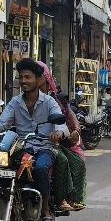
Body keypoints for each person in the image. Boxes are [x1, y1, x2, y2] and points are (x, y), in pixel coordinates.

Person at [0, 58, 65, 221]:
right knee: (1, 167)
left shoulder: (49, 102)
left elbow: (61, 124)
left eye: (28, 77)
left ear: (38, 80)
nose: (23, 81)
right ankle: (0, 202)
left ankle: (45, 211)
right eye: (21, 77)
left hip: (45, 147)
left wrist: (58, 133)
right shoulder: (15, 102)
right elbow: (3, 122)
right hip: (22, 147)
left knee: (40, 167)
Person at [36, 62, 86, 211]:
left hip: (52, 141)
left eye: (37, 75)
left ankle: (66, 197)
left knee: (75, 161)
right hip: (29, 140)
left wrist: (74, 131)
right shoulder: (22, 98)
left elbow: (66, 116)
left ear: (45, 77)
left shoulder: (53, 99)